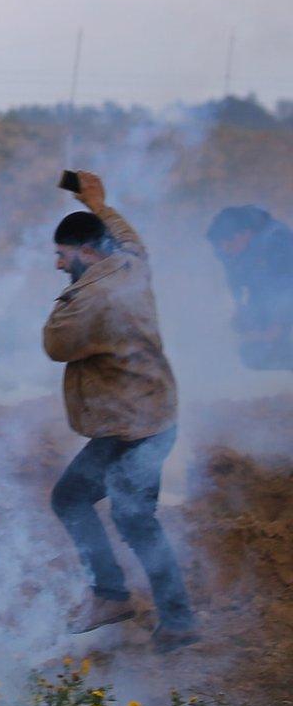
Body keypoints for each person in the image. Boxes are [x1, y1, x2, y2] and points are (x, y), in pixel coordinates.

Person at [44, 171, 197, 652]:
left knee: (79, 501)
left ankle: (120, 599)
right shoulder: (129, 266)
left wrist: (72, 290)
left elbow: (55, 343)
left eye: (63, 255)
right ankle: (173, 620)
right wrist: (99, 203)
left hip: (132, 430)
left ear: (88, 252)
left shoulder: (92, 298)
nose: (57, 265)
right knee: (133, 518)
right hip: (152, 418)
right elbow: (130, 239)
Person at [206, 205, 293, 371]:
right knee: (253, 354)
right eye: (221, 245)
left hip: (285, 307)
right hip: (268, 304)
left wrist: (277, 326)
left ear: (245, 234)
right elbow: (236, 282)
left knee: (266, 348)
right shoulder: (233, 251)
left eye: (228, 244)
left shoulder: (277, 242)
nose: (225, 250)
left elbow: (287, 287)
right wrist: (241, 309)